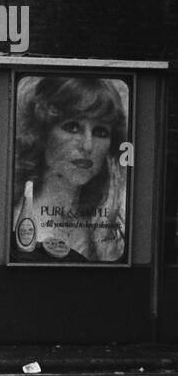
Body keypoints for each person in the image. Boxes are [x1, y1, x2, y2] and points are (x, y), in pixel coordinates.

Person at [11, 76, 128, 262]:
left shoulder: (99, 230)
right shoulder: (21, 223)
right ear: (42, 132)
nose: (88, 146)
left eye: (100, 132)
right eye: (72, 127)